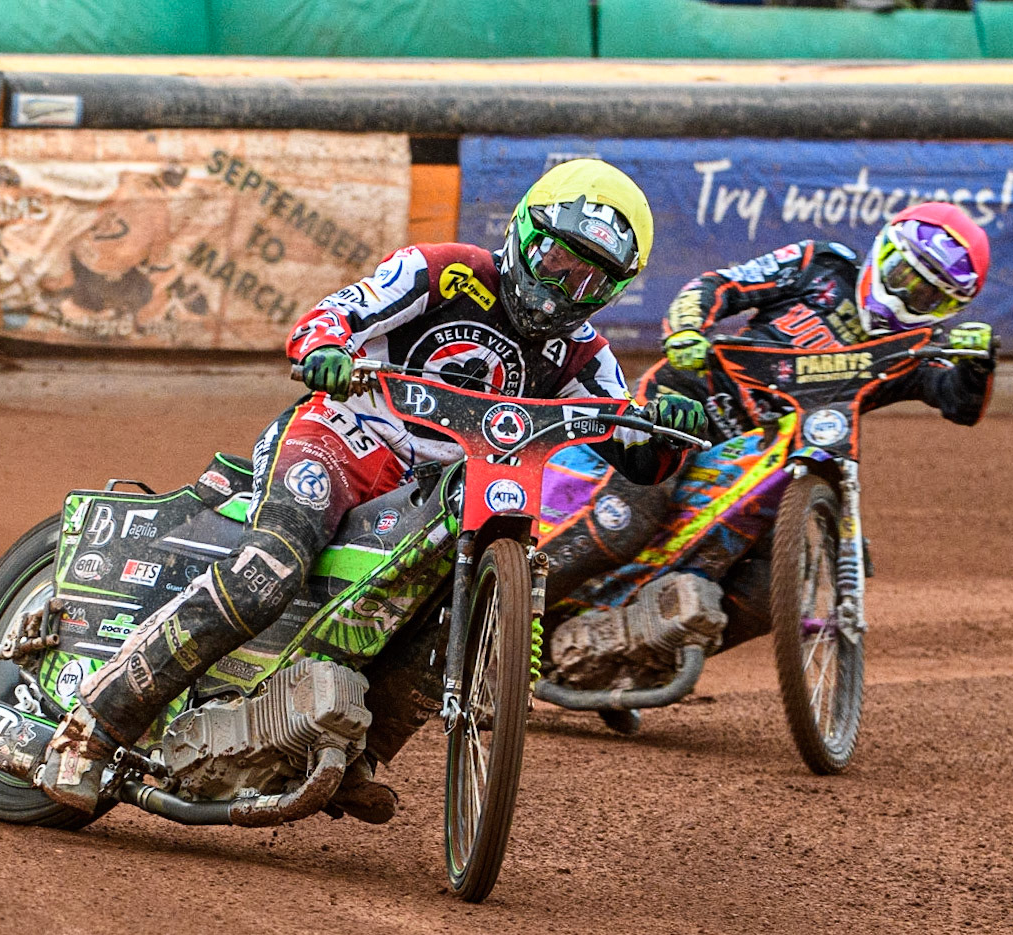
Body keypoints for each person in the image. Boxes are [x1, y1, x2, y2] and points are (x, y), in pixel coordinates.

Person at [36, 159, 707, 813]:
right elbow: (333, 316)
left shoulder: (583, 355)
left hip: (434, 492)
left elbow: (636, 451)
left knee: (449, 619)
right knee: (271, 569)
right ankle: (97, 722)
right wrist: (325, 350)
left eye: (592, 279)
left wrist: (666, 423)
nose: (565, 285)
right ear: (524, 232)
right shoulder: (443, 270)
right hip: (342, 438)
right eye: (558, 258)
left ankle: (352, 751)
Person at [539, 201, 997, 730]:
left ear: (948, 307)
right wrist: (688, 330)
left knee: (766, 594)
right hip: (695, 407)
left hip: (784, 460)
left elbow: (959, 403)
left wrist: (977, 362)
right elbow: (720, 285)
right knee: (632, 517)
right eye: (903, 276)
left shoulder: (913, 348)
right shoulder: (821, 266)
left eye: (930, 295)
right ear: (883, 252)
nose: (908, 296)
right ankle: (490, 621)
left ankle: (625, 664)